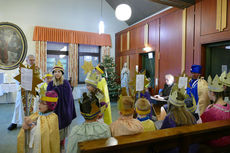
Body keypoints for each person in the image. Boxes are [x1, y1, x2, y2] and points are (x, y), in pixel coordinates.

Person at [47, 60, 76, 152]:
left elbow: (68, 97)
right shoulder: (51, 84)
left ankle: (62, 144)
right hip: (54, 111)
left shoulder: (66, 83)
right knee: (55, 129)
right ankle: (55, 145)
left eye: (59, 72)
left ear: (62, 73)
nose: (57, 73)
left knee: (62, 130)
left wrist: (56, 91)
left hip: (64, 110)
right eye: (55, 72)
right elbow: (48, 96)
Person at [160, 85, 197, 153]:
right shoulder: (191, 116)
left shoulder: (170, 118)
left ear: (170, 103)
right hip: (192, 149)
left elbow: (162, 137)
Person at [8, 54, 38, 130]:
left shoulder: (37, 69)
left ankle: (32, 121)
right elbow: (16, 78)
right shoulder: (21, 68)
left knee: (33, 107)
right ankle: (14, 122)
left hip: (32, 92)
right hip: (22, 91)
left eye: (33, 60)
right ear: (26, 60)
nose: (32, 61)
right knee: (19, 106)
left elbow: (39, 80)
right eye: (30, 60)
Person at [201, 75, 230, 147]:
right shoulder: (229, 107)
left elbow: (201, 127)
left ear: (213, 93)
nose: (208, 93)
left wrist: (207, 110)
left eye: (208, 91)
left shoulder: (211, 111)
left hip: (215, 143)